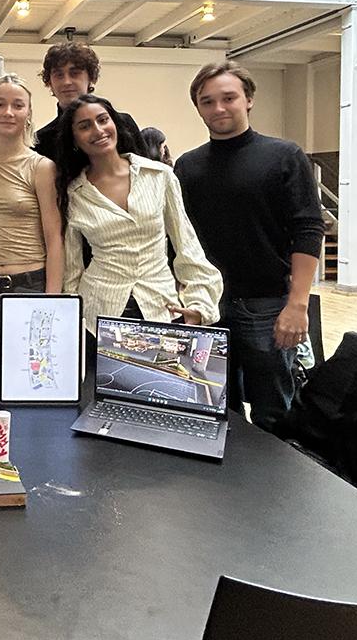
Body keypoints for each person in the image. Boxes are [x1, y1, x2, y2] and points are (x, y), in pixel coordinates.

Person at [174, 61, 324, 432]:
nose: (219, 108)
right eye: (208, 101)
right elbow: (179, 239)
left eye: (229, 98)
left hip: (268, 305)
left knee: (273, 414)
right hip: (208, 306)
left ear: (249, 100)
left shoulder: (284, 156)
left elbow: (308, 228)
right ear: (198, 108)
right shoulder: (187, 167)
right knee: (214, 410)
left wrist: (298, 304)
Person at [55, 94, 222, 338]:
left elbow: (186, 244)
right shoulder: (74, 192)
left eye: (103, 120)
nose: (98, 130)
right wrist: (70, 318)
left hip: (161, 307)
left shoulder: (159, 176)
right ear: (74, 139)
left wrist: (200, 303)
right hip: (98, 315)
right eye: (84, 126)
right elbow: (72, 268)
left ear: (115, 123)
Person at [0, 74, 63, 362]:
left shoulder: (41, 167)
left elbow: (54, 239)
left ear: (28, 114)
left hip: (29, 286)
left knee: (31, 371)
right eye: (0, 104)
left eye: (17, 105)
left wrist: (52, 303)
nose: (8, 112)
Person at [33, 41, 152, 164]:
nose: (66, 82)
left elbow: (147, 171)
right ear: (50, 82)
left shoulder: (123, 124)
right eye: (59, 75)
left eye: (75, 73)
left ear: (90, 77)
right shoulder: (41, 141)